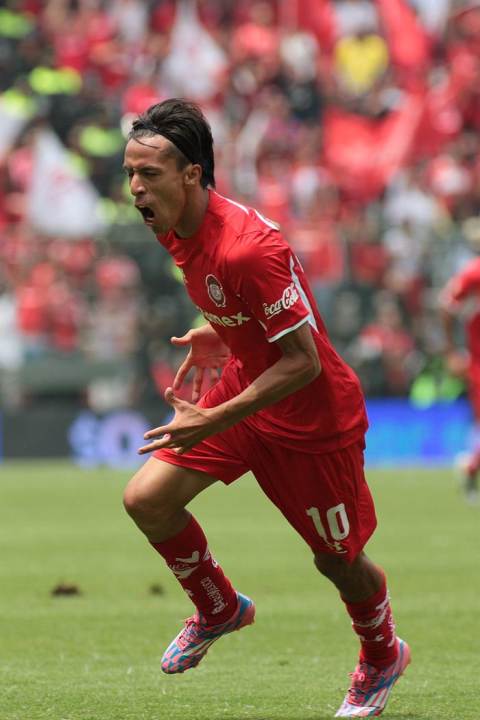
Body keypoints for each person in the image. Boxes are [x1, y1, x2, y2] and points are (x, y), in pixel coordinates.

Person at [122, 98, 410, 718]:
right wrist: (219, 330)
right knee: (147, 499)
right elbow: (247, 311)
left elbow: (304, 359)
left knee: (337, 560)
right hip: (247, 386)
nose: (135, 189)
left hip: (312, 416)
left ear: (193, 174)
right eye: (130, 175)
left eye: (149, 175)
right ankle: (219, 606)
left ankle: (383, 653)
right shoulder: (175, 228)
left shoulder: (249, 248)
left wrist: (215, 414)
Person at [440, 249, 480, 503]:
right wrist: (452, 352)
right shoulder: (473, 273)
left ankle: (471, 466)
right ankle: (471, 467)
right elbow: (446, 306)